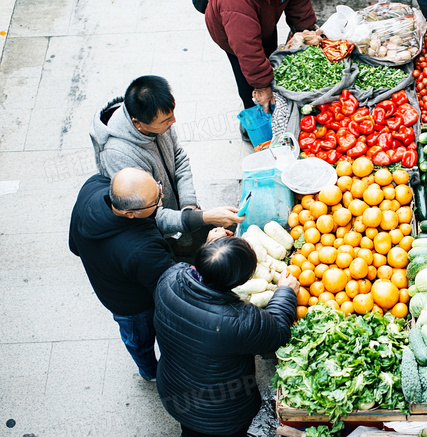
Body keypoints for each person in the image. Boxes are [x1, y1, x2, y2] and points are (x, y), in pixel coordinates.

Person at [154, 232, 299, 437]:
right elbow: (278, 332)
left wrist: (213, 249)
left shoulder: (169, 278)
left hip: (175, 391)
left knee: (190, 429)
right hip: (222, 410)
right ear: (241, 280)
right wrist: (285, 292)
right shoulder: (239, 320)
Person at [90, 75, 243, 254]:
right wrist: (202, 217)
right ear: (137, 124)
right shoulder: (118, 154)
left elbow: (179, 157)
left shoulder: (159, 120)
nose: (173, 122)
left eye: (171, 114)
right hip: (155, 228)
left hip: (178, 212)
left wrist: (188, 206)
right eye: (165, 120)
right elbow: (150, 212)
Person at [69, 168, 177, 381]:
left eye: (158, 189)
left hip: (109, 290)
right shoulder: (142, 250)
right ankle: (150, 372)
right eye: (157, 201)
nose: (161, 199)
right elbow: (171, 286)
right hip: (133, 305)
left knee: (134, 337)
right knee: (140, 339)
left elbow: (74, 246)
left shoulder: (92, 186)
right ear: (130, 213)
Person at [204, 0, 317, 139]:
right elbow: (247, 50)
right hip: (232, 32)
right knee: (249, 82)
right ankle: (253, 124)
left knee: (268, 54)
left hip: (262, 15)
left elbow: (299, 4)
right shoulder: (235, 5)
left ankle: (273, 112)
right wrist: (262, 85)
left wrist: (307, 28)